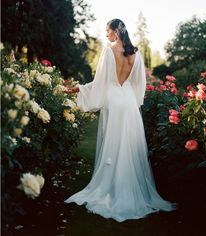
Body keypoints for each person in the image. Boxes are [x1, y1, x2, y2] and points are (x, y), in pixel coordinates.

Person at [64, 19, 177, 222]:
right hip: (129, 103)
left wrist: (79, 89)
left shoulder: (109, 51)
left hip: (114, 101)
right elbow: (139, 84)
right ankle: (130, 187)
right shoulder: (136, 53)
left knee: (113, 143)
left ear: (116, 32)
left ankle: (112, 187)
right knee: (129, 145)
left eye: (107, 32)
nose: (106, 36)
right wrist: (134, 101)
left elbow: (100, 83)